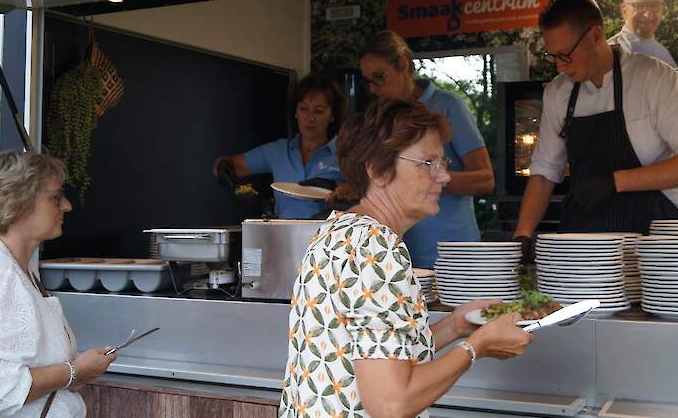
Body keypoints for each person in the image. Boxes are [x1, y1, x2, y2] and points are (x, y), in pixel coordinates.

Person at [279, 99, 532, 418]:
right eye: (428, 163)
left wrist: (455, 326)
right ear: (378, 170)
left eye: (444, 163)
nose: (444, 177)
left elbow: (374, 352)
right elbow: (391, 403)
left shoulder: (337, 230)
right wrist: (476, 347)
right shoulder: (378, 248)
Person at [512, 0, 678, 252]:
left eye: (566, 55)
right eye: (553, 57)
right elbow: (544, 172)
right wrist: (523, 234)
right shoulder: (558, 92)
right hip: (582, 241)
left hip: (649, 241)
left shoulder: (653, 78)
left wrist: (614, 182)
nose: (560, 67)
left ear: (595, 35)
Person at [0, 151, 116, 417]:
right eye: (55, 197)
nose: (67, 205)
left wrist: (74, 370)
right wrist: (74, 371)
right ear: (17, 202)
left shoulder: (18, 268)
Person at [358, 31, 494, 269]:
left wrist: (421, 177)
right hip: (399, 256)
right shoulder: (383, 117)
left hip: (454, 256)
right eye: (368, 80)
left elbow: (485, 179)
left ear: (403, 65)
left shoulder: (448, 106)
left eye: (379, 77)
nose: (373, 89)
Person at [213, 73, 346, 219]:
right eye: (303, 108)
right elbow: (227, 164)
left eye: (319, 111)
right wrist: (222, 167)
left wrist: (335, 187)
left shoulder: (346, 152)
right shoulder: (277, 151)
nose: (310, 118)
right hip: (283, 236)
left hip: (329, 236)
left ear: (332, 115)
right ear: (295, 112)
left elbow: (366, 193)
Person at [607, 0, 677, 67]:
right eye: (639, 6)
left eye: (655, 5)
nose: (647, 14)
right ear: (624, 10)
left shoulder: (664, 55)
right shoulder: (607, 55)